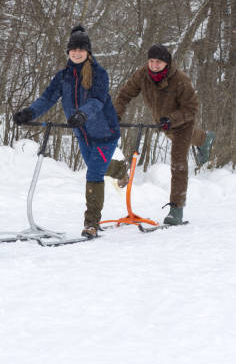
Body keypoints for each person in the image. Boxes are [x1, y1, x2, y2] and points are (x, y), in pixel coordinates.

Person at [13, 25, 120, 238]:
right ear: (68, 52)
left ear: (88, 52)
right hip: (83, 135)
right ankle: (119, 170)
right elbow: (47, 98)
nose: (77, 53)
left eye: (81, 49)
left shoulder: (100, 74)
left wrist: (82, 114)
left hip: (104, 134)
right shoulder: (63, 76)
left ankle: (91, 223)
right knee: (96, 169)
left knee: (94, 174)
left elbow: (97, 100)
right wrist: (29, 113)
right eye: (73, 49)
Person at [113, 44, 215, 225]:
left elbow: (191, 108)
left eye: (158, 62)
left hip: (182, 121)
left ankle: (176, 209)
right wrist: (116, 115)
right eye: (151, 61)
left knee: (178, 163)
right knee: (187, 138)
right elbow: (124, 95)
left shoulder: (180, 80)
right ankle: (205, 139)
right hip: (164, 122)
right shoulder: (142, 75)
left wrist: (172, 119)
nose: (154, 65)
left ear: (166, 63)